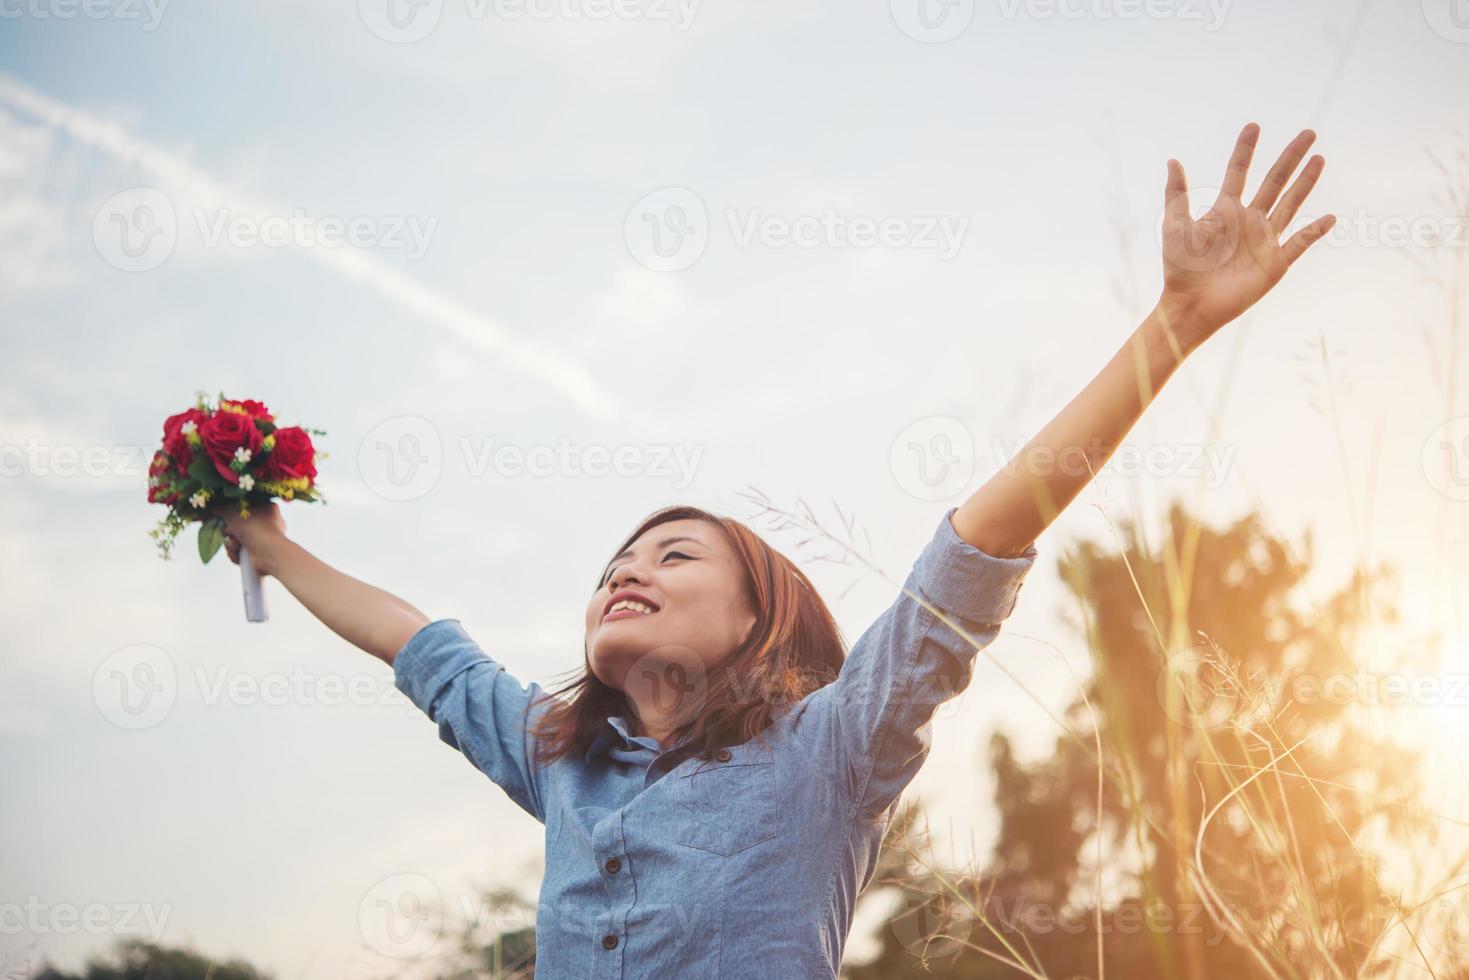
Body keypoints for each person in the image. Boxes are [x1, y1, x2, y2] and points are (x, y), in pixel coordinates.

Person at [220, 123, 1335, 978]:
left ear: (758, 619)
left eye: (674, 555)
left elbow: (979, 541)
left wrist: (1170, 330)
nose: (628, 570)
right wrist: (271, 544)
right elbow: (418, 645)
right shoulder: (561, 759)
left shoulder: (832, 751)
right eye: (619, 559)